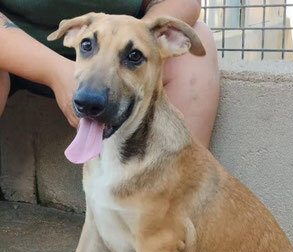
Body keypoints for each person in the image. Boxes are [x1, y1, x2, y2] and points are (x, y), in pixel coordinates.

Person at [0, 0, 219, 148]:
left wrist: (133, 41)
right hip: (13, 52)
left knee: (196, 50)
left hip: (121, 60)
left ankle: (173, 200)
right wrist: (55, 71)